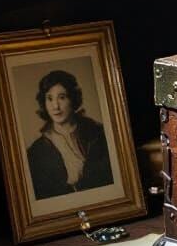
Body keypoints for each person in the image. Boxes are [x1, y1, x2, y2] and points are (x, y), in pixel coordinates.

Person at [27, 69, 114, 200]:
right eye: (49, 99)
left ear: (73, 98)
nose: (55, 106)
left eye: (62, 97)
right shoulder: (37, 151)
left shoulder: (98, 133)